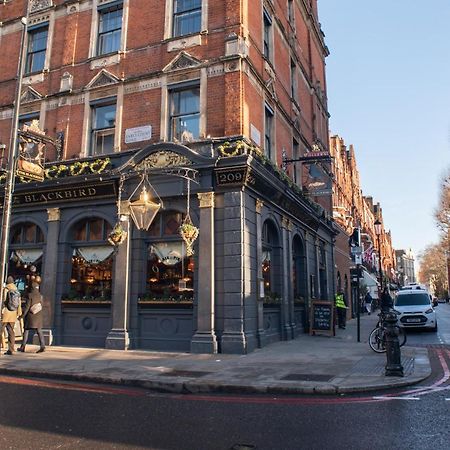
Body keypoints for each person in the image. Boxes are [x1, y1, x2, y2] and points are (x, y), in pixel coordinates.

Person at [18, 281, 45, 353]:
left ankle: (22, 346)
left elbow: (27, 307)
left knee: (26, 331)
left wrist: (22, 316)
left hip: (31, 316)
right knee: (39, 331)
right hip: (38, 316)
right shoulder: (40, 296)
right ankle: (42, 346)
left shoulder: (30, 295)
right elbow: (41, 306)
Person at [1, 276, 22, 355]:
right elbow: (19, 303)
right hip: (13, 313)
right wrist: (19, 313)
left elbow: (3, 301)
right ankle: (11, 349)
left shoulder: (6, 289)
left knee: (1, 330)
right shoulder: (16, 290)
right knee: (11, 332)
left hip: (5, 313)